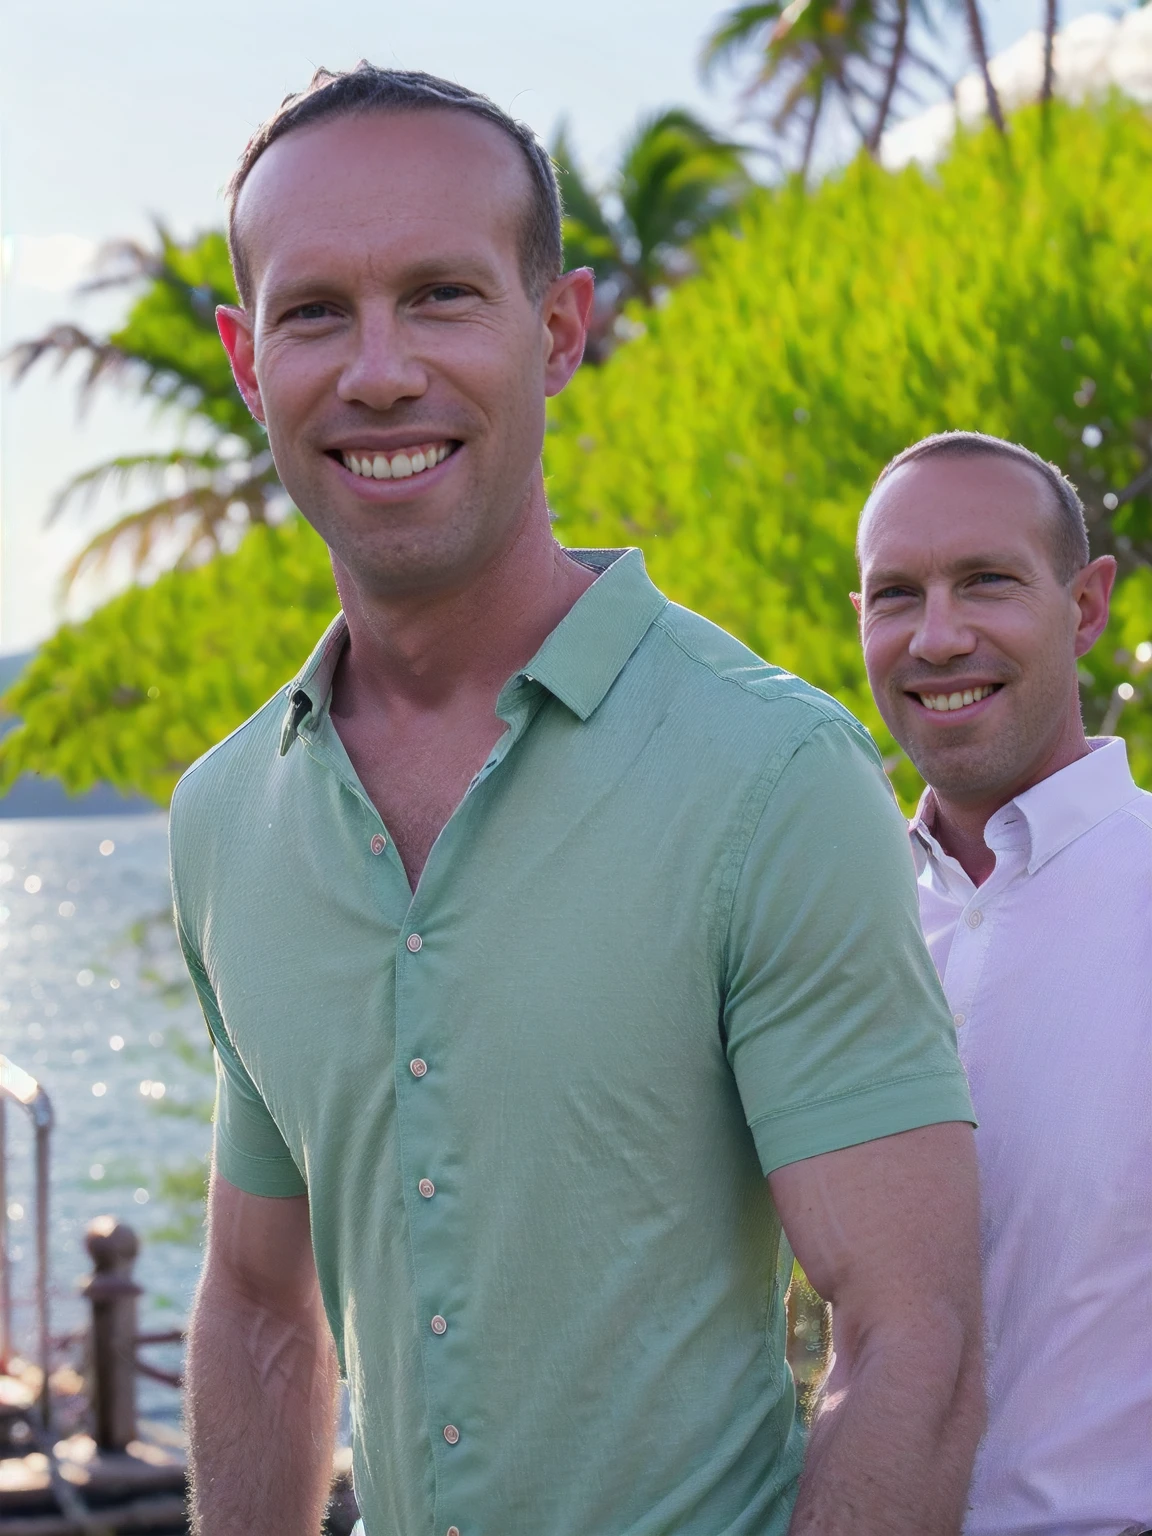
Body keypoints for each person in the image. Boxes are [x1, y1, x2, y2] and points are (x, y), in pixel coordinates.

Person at [172, 65, 984, 1536]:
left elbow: (910, 1341)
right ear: (244, 357)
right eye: (313, 314)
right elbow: (259, 1307)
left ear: (557, 331)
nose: (377, 372)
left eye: (439, 295)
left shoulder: (774, 777)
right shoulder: (225, 816)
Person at [853, 430, 1152, 1536]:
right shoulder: (820, 924)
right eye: (897, 594)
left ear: (1085, 608)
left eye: (986, 581)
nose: (938, 637)